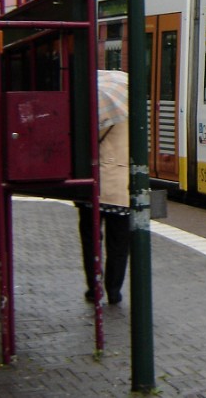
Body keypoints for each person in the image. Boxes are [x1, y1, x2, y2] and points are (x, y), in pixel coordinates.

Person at [78, 93, 131, 306]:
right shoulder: (128, 114)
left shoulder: (87, 115)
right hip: (119, 187)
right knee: (119, 243)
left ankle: (94, 287)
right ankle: (114, 290)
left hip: (92, 185)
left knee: (91, 240)